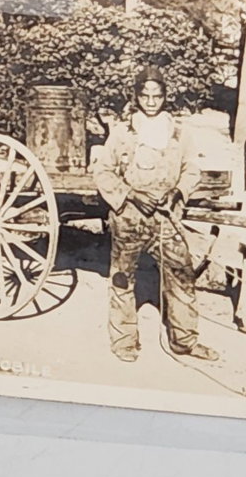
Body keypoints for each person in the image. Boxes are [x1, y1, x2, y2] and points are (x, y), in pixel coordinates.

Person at [89, 67, 216, 363]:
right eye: (144, 96)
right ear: (136, 97)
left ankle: (184, 342)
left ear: (164, 97)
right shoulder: (123, 133)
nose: (150, 102)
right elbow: (103, 171)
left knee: (182, 276)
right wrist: (131, 195)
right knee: (122, 278)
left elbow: (191, 169)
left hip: (166, 220)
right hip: (130, 218)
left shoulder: (180, 133)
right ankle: (124, 342)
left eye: (156, 96)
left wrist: (179, 192)